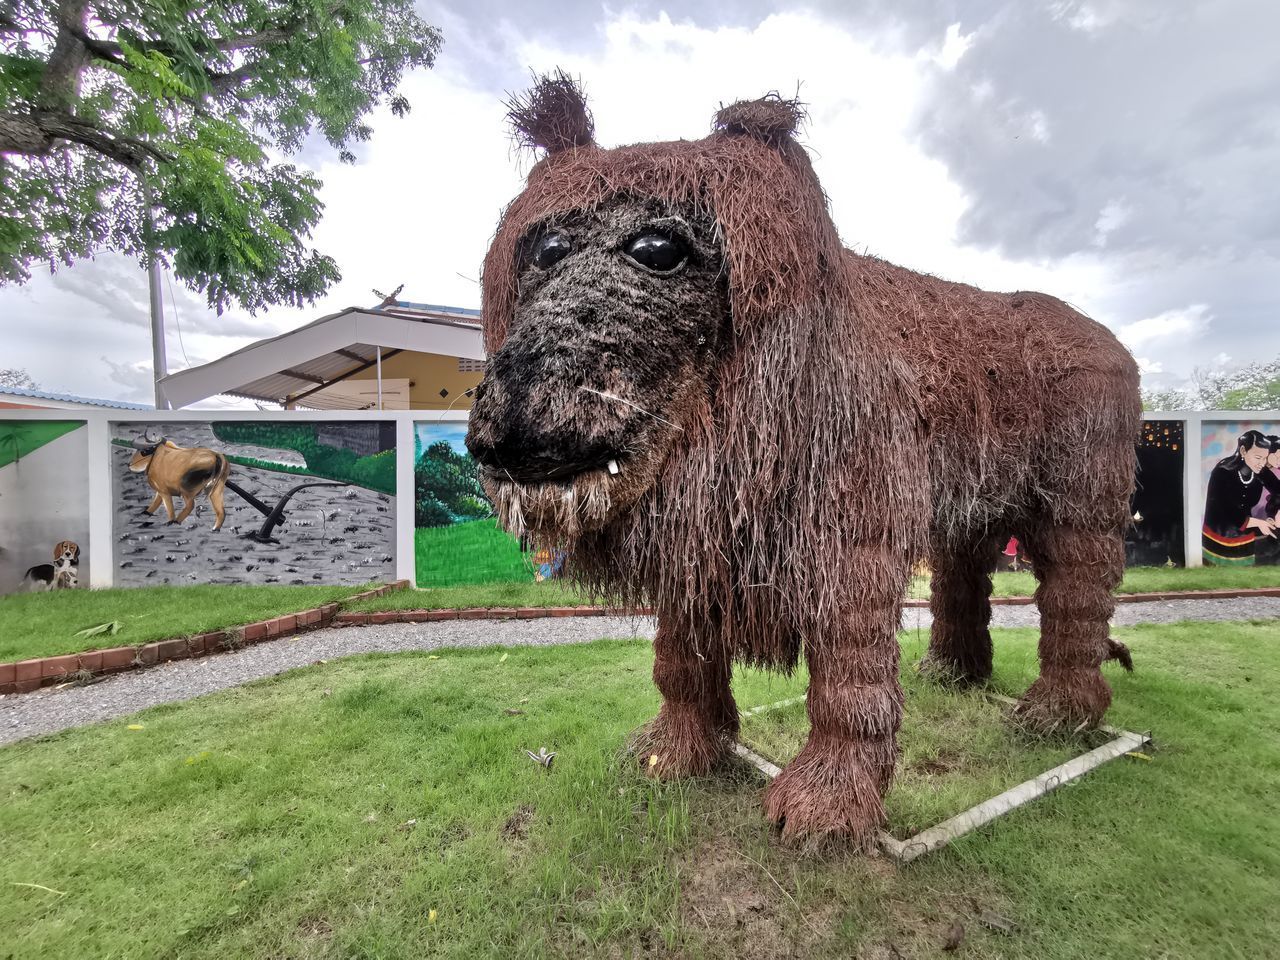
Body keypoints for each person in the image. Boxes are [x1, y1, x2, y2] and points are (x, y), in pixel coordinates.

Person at [1202, 430, 1278, 565]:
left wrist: (1274, 514)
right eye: (1258, 457)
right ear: (1243, 451)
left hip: (1245, 532)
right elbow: (1229, 512)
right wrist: (1259, 522)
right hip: (1219, 535)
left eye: (1265, 458)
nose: (1262, 463)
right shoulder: (1223, 472)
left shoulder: (1259, 470)